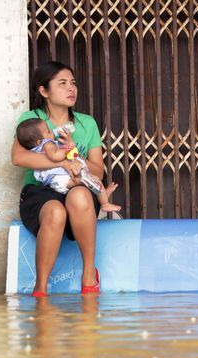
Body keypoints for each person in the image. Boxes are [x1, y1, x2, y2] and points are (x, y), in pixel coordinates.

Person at [11, 60, 110, 297]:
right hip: (41, 191)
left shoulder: (87, 123)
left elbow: (98, 171)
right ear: (44, 91)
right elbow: (18, 157)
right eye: (62, 83)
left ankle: (89, 274)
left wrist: (76, 157)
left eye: (73, 83)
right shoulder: (32, 120)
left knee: (79, 196)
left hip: (78, 187)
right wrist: (63, 162)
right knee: (55, 211)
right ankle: (41, 288)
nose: (71, 89)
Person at [16, 118, 121, 213]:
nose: (52, 131)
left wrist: (69, 147)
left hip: (60, 179)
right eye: (48, 131)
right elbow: (55, 156)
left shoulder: (41, 146)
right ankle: (104, 201)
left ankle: (103, 197)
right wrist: (67, 147)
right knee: (89, 180)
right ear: (40, 141)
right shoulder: (47, 144)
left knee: (93, 179)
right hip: (61, 180)